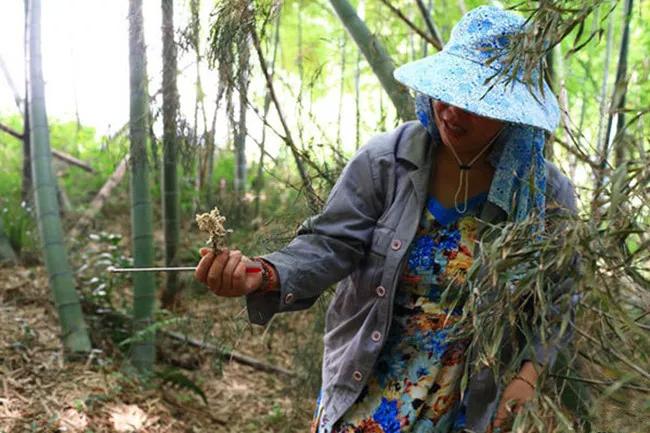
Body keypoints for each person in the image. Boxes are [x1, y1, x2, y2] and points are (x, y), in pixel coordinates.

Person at [195, 6, 577, 433]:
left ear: (513, 111)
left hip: (468, 401)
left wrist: (528, 377)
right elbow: (330, 244)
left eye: (474, 102)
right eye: (446, 92)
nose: (451, 111)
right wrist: (262, 274)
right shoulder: (387, 162)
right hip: (368, 386)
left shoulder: (544, 195)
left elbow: (559, 299)